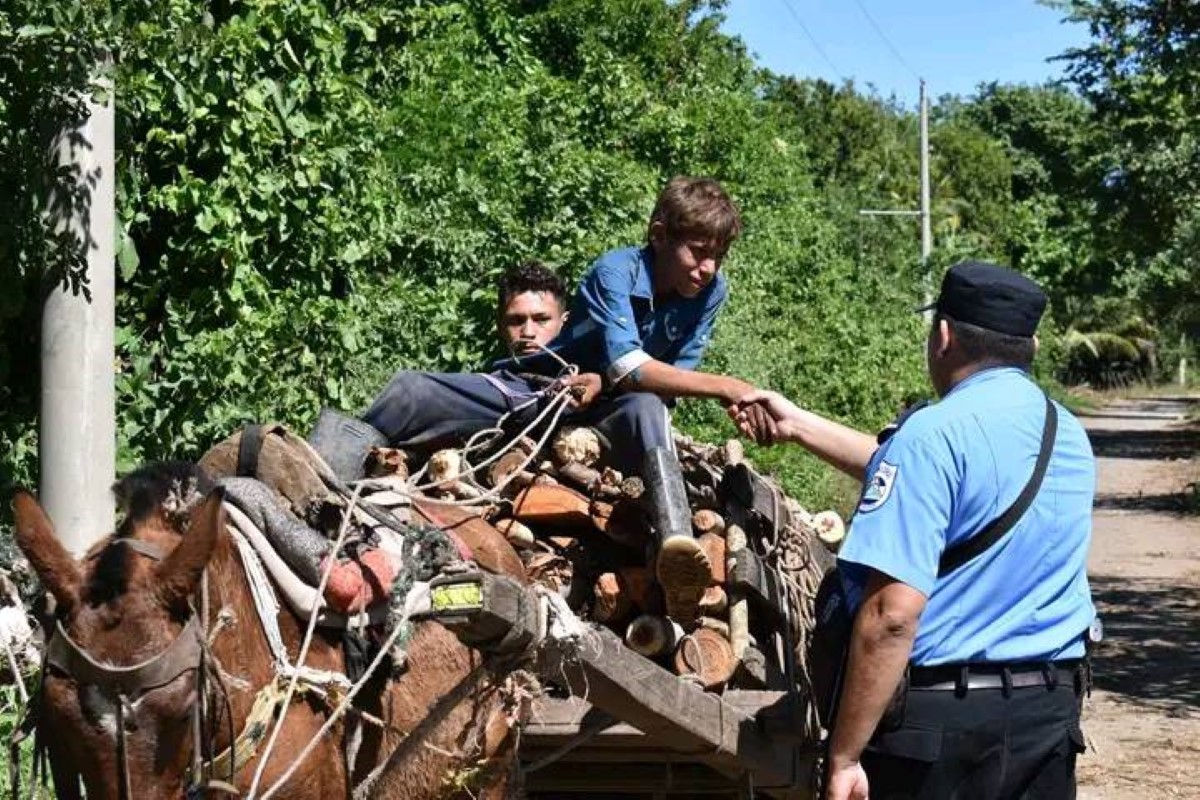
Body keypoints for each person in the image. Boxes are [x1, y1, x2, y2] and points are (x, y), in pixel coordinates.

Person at [733, 260, 1096, 800]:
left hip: (939, 734)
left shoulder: (931, 435)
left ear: (943, 336)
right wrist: (798, 425)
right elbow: (942, 482)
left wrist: (845, 756)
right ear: (1032, 345)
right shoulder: (1065, 432)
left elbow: (891, 618)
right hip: (1048, 716)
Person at [365, 176, 757, 619]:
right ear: (659, 236)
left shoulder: (711, 291)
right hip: (538, 391)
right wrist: (728, 386)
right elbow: (631, 365)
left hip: (612, 410)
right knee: (413, 390)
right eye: (698, 252)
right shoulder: (616, 270)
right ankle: (327, 483)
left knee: (648, 407)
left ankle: (676, 546)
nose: (707, 268)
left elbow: (666, 380)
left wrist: (604, 385)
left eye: (717, 257)